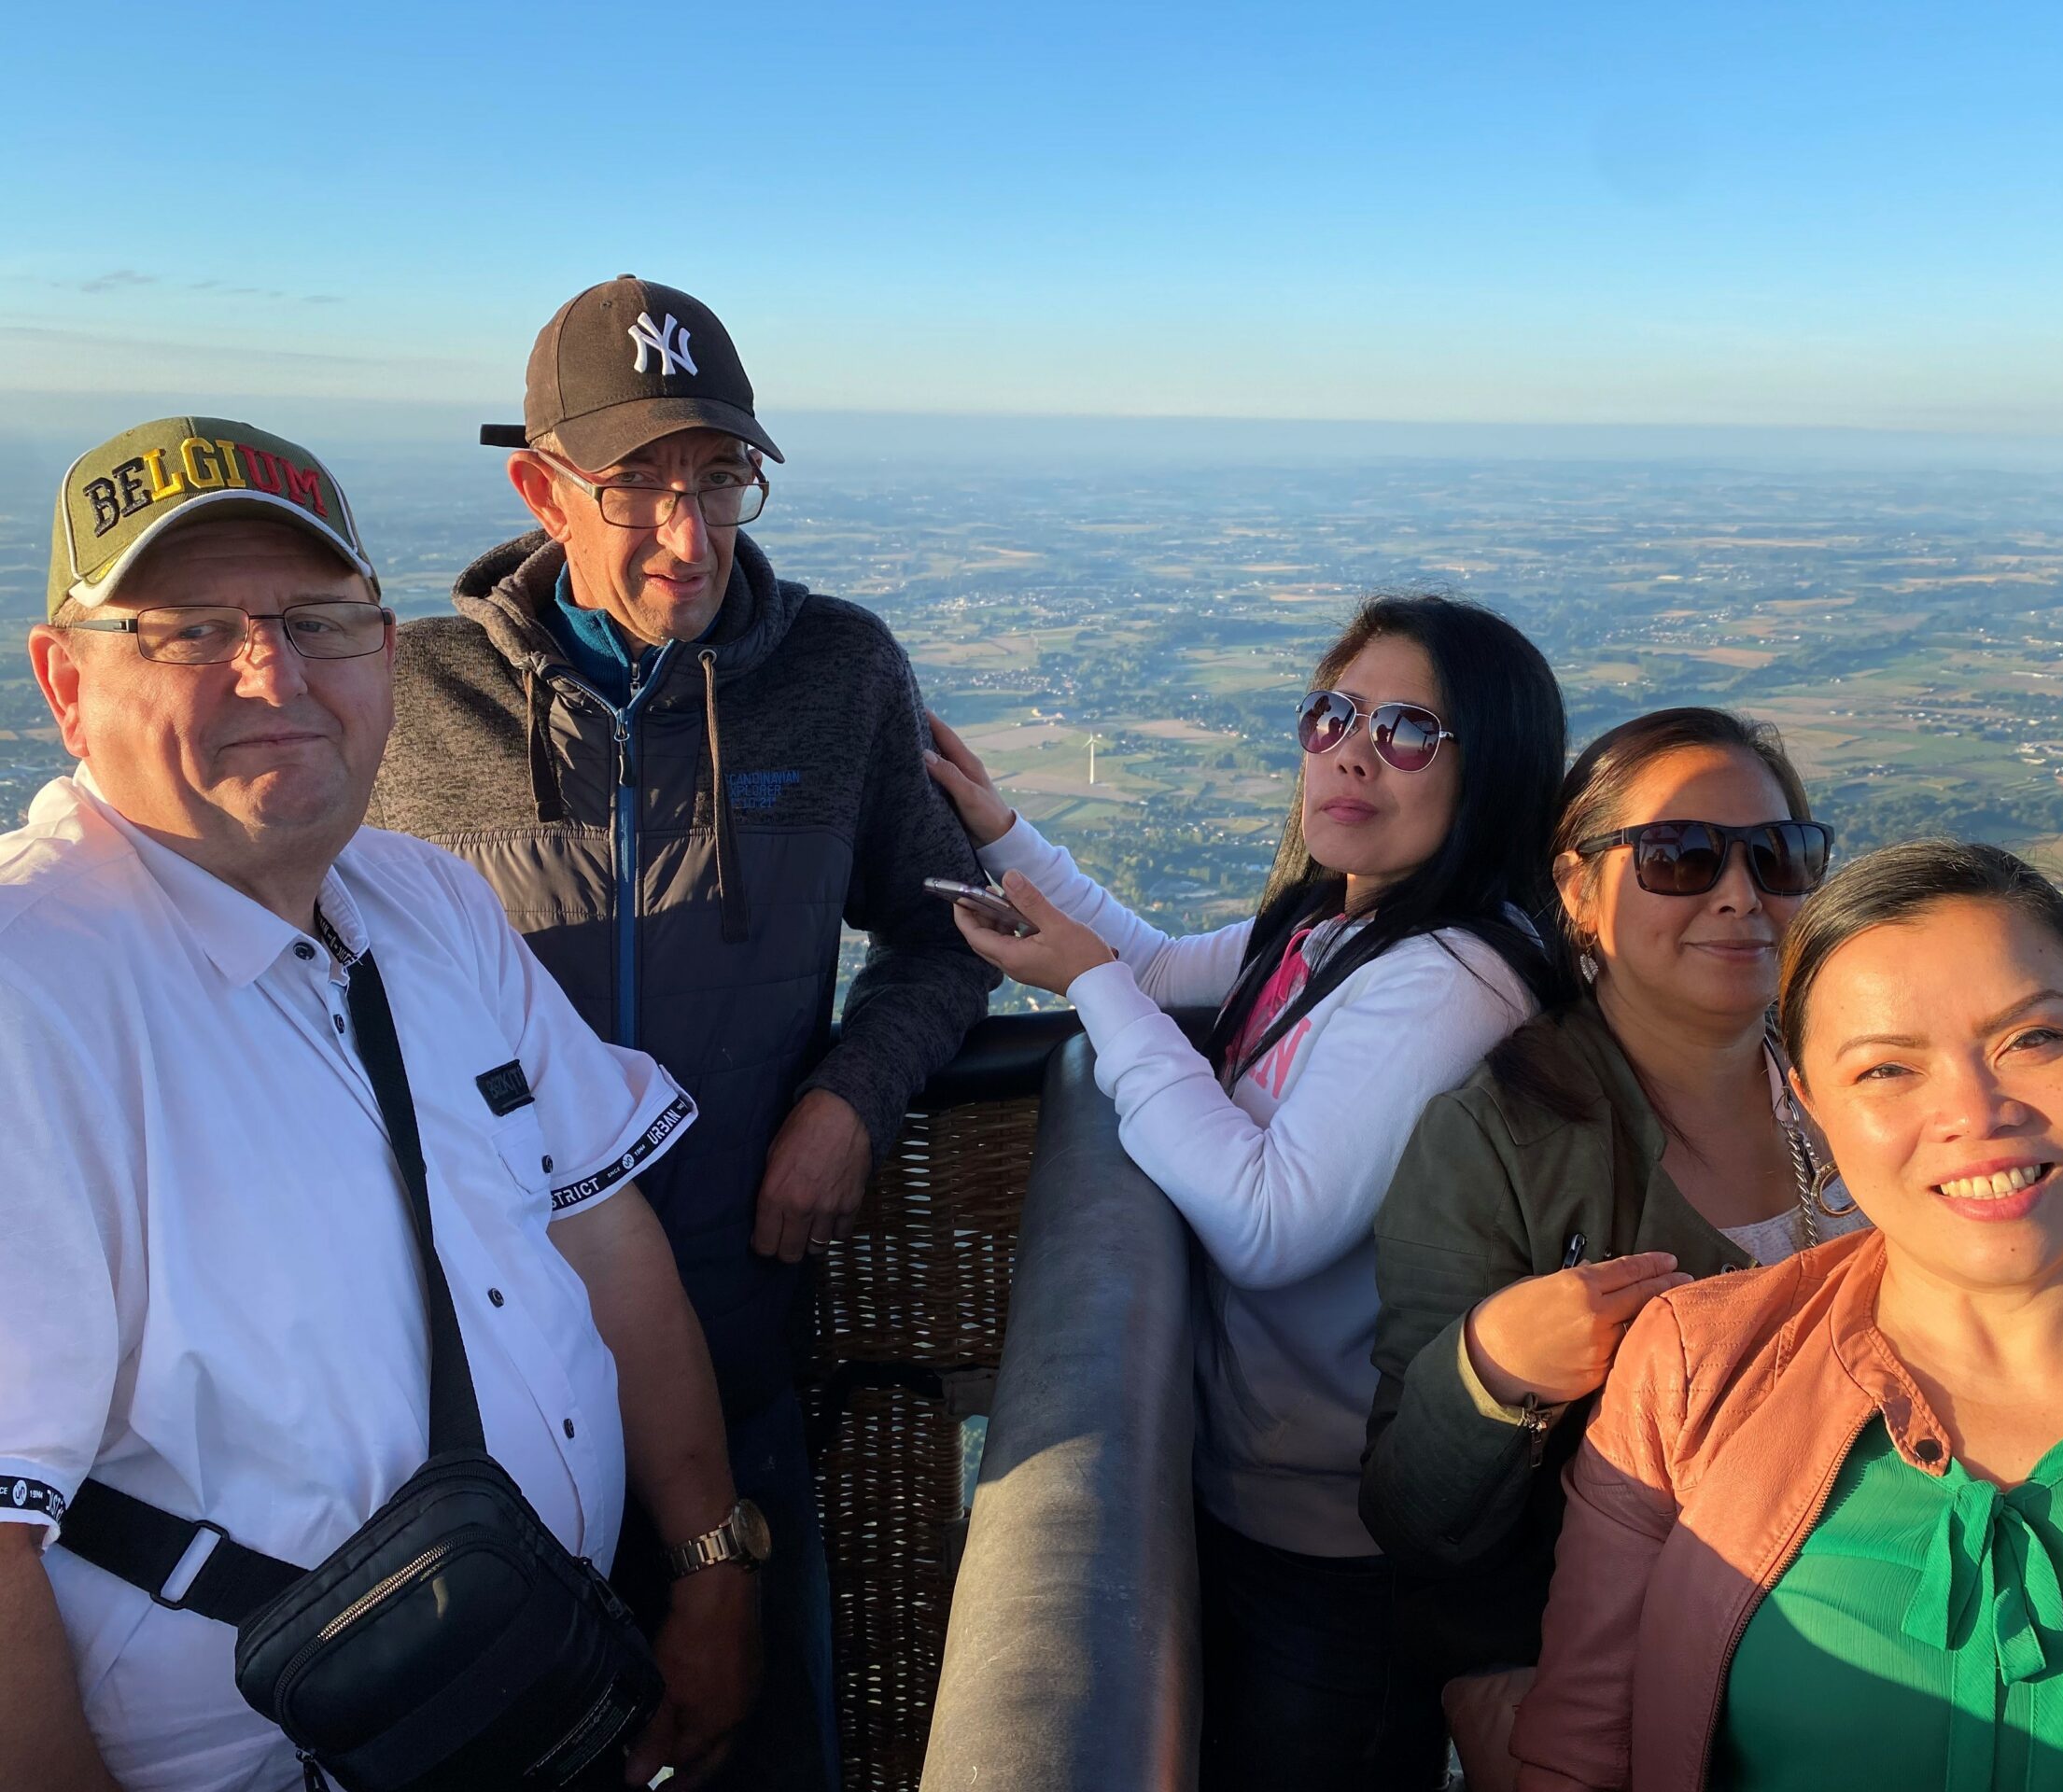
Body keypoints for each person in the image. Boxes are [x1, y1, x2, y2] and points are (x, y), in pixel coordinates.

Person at [1, 416, 758, 1792]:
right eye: (187, 630)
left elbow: (603, 1235)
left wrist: (712, 1563)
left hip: (547, 1691)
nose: (272, 673)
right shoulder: (28, 993)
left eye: (321, 621)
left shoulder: (428, 901)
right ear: (65, 682)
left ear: (388, 656)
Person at [367, 278, 995, 1787]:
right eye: (639, 484)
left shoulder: (837, 674)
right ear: (538, 487)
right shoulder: (400, 700)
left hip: (739, 1341)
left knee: (762, 1742)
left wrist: (851, 1095)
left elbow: (948, 932)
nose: (691, 534)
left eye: (719, 480)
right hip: (478, 1401)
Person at [1513, 841, 2063, 1792]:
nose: (1974, 1113)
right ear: (1809, 1109)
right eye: (1888, 1070)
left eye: (2034, 1040)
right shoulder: (1694, 1377)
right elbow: (1580, 1757)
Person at [922, 595, 1565, 1790]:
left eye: (1410, 729)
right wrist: (1004, 833)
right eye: (1332, 714)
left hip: (1334, 1550)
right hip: (1260, 1496)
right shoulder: (1335, 924)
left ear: (1499, 769)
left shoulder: (1453, 976)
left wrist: (1090, 992)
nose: (1352, 751)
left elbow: (1269, 1223)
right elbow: (1159, 968)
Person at [1361, 707, 1855, 1788]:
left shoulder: (1871, 1088)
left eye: (1775, 857)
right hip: (1642, 1691)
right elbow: (1412, 1517)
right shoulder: (1501, 1139)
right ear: (1579, 893)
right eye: (1679, 857)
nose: (1738, 895)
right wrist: (1492, 1371)